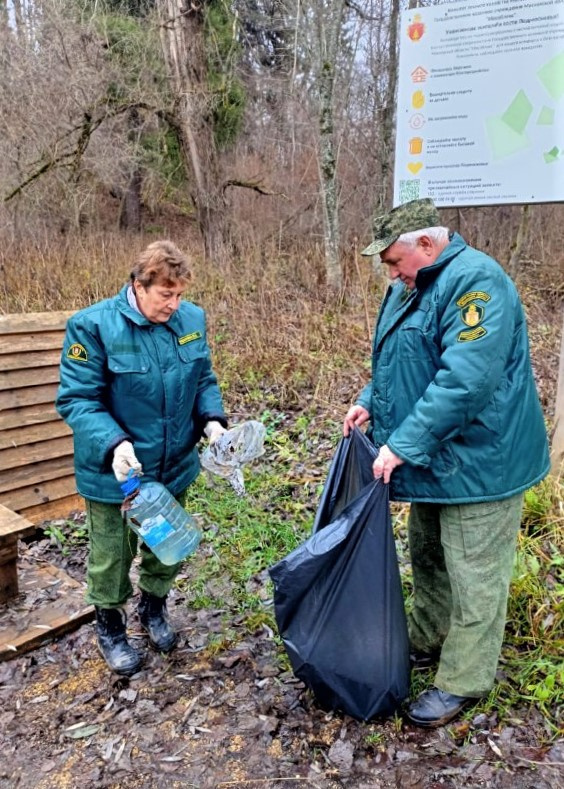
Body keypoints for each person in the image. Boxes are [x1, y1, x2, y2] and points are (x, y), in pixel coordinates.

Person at [343, 198, 549, 727]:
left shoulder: (477, 284)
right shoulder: (409, 287)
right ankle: (428, 635)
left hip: (483, 461)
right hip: (435, 457)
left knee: (475, 572)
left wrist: (402, 444)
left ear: (427, 245)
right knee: (429, 553)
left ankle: (464, 679)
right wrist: (370, 397)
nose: (389, 274)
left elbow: (466, 381)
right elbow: (400, 358)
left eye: (393, 261)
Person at [56, 240, 228, 676]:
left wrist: (211, 420)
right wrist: (115, 443)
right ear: (138, 285)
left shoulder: (191, 320)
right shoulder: (93, 326)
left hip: (174, 466)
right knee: (112, 554)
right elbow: (77, 400)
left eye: (179, 294)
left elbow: (202, 376)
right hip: (116, 473)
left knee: (165, 546)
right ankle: (110, 627)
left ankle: (153, 608)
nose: (174, 304)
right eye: (164, 295)